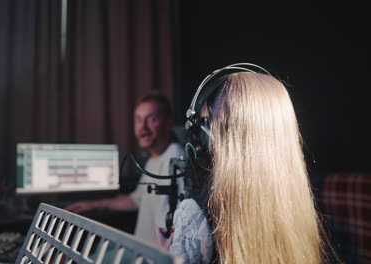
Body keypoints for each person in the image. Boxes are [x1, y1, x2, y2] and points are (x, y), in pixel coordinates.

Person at [169, 70, 332, 263]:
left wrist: (169, 251)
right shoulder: (299, 206)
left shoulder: (194, 214)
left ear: (210, 135)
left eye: (205, 123)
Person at [65, 91, 185, 247]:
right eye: (138, 120)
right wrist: (95, 205)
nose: (143, 128)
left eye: (152, 119)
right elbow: (136, 200)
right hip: (139, 248)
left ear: (168, 123)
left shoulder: (174, 156)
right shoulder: (154, 159)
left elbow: (169, 228)